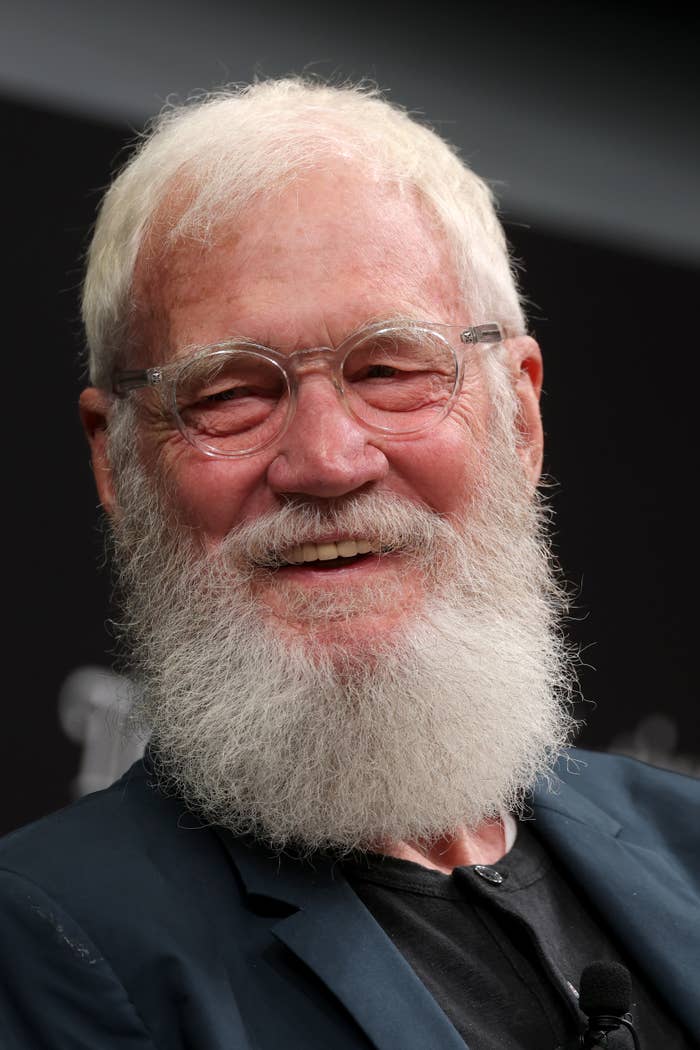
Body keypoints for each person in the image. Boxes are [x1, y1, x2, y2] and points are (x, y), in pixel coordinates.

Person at [0, 77, 697, 1050]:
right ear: (114, 458)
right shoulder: (41, 943)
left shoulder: (687, 839)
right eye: (231, 392)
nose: (327, 461)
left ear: (522, 415)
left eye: (388, 370)